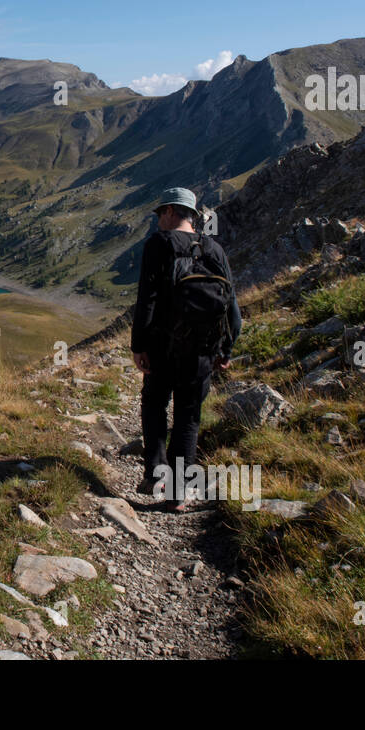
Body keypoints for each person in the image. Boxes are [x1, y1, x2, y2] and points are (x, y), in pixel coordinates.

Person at [130, 188, 241, 512]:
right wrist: (227, 349)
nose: (158, 221)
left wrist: (139, 347)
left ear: (168, 212)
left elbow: (146, 299)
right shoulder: (214, 248)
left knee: (153, 405)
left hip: (164, 347)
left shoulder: (160, 244)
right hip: (203, 352)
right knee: (188, 419)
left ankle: (155, 473)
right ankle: (177, 494)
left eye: (159, 215)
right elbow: (231, 305)